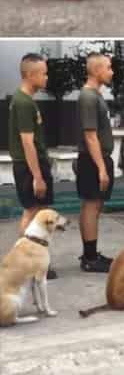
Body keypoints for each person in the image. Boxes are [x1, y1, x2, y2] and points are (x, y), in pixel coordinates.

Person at [8, 53, 57, 278]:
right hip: (29, 166)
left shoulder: (24, 100)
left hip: (32, 164)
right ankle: (26, 263)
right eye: (43, 73)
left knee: (37, 211)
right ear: (29, 75)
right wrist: (37, 176)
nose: (46, 77)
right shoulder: (23, 102)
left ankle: (33, 264)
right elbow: (27, 142)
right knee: (32, 212)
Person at [76, 53, 116, 272]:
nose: (112, 71)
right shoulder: (88, 97)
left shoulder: (95, 95)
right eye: (108, 68)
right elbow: (90, 136)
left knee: (94, 205)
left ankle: (90, 254)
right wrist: (101, 168)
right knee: (91, 206)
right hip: (92, 160)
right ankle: (90, 259)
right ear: (97, 70)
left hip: (99, 159)